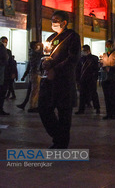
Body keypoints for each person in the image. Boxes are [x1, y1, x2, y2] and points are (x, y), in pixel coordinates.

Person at [38, 10, 81, 149]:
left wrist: (55, 69)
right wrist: (43, 64)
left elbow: (73, 58)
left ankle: (61, 143)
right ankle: (58, 135)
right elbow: (45, 55)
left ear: (64, 22)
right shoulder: (50, 38)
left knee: (64, 113)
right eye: (52, 19)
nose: (53, 22)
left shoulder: (72, 36)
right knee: (43, 109)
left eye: (56, 20)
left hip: (64, 80)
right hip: (48, 81)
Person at [17, 41, 43, 112]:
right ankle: (32, 106)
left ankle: (27, 104)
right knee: (35, 90)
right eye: (37, 45)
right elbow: (42, 55)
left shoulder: (32, 53)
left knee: (32, 90)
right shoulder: (35, 53)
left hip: (33, 73)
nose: (39, 47)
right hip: (36, 73)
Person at [75, 45, 101, 115]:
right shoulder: (81, 59)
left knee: (93, 94)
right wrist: (77, 79)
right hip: (82, 79)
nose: (83, 52)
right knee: (82, 94)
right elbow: (78, 69)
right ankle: (81, 109)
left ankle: (97, 108)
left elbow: (96, 69)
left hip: (91, 79)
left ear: (88, 50)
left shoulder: (94, 58)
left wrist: (95, 77)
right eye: (82, 50)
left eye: (84, 50)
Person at [100, 40, 115, 119]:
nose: (107, 47)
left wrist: (111, 69)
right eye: (106, 45)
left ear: (112, 46)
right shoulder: (104, 55)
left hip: (113, 78)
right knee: (106, 97)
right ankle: (108, 113)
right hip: (105, 78)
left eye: (109, 45)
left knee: (113, 96)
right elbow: (102, 64)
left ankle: (114, 113)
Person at [0, 36, 14, 115]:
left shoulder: (8, 51)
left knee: (3, 92)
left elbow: (11, 63)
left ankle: (0, 108)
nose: (4, 43)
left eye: (5, 42)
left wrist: (12, 73)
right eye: (3, 41)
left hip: (6, 74)